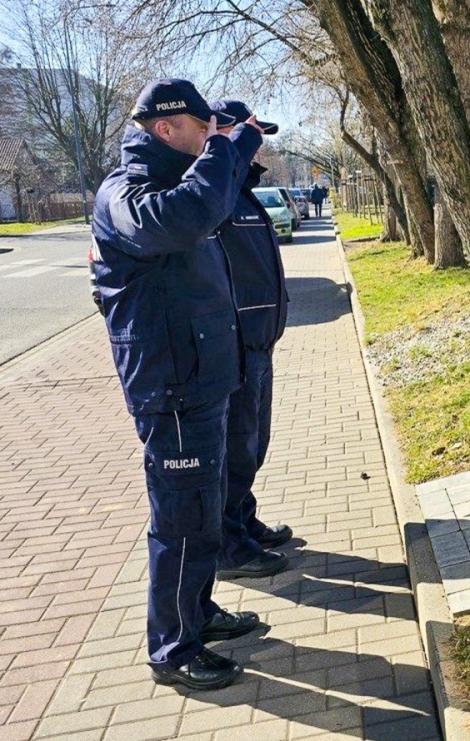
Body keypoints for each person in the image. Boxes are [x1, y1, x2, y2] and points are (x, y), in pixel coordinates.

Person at [90, 78, 265, 691]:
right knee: (182, 521)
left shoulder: (179, 179)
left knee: (204, 514)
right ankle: (172, 649)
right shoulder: (127, 192)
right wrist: (224, 149)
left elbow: (209, 207)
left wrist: (229, 150)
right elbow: (184, 218)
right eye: (203, 127)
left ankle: (199, 613)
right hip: (171, 386)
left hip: (200, 378)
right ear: (167, 129)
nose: (211, 136)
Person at [208, 99, 296, 581]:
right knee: (235, 449)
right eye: (249, 134)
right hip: (235, 348)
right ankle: (229, 547)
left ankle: (243, 521)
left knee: (252, 445)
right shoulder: (217, 191)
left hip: (259, 344)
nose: (257, 145)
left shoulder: (241, 191)